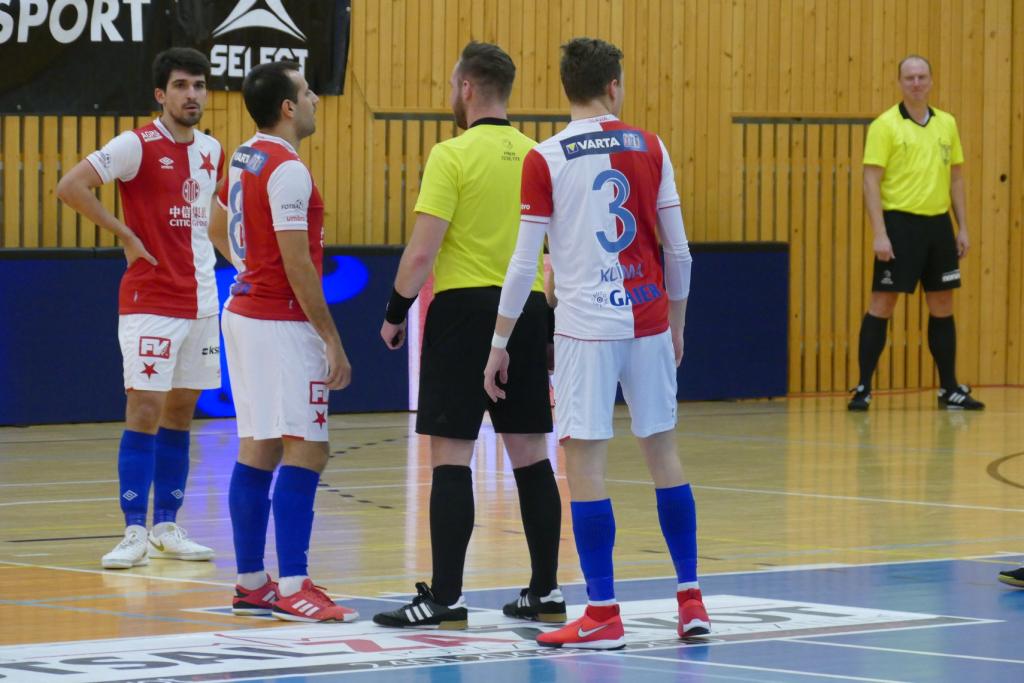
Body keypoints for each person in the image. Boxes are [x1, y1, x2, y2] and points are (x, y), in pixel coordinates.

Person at [483, 37, 710, 650]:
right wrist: (678, 322)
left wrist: (500, 340)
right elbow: (680, 253)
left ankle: (604, 612)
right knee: (663, 454)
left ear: (567, 88)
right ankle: (691, 599)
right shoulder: (652, 146)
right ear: (614, 86)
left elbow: (524, 262)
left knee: (585, 464)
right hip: (648, 319)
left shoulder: (545, 156)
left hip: (585, 328)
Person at [372, 42, 564, 630]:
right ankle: (546, 591)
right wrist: (547, 320)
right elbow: (554, 253)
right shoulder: (538, 156)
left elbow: (422, 251)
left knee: (451, 455)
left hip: (464, 313)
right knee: (531, 455)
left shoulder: (450, 154)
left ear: (466, 88)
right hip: (526, 310)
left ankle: (446, 597)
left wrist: (395, 312)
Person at [56, 47, 221, 570]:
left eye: (199, 85)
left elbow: (209, 219)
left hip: (203, 300)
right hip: (151, 301)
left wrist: (243, 260)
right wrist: (125, 234)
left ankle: (167, 527)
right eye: (181, 85)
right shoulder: (136, 144)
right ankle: (133, 531)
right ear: (160, 94)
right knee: (145, 410)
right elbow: (70, 186)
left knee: (181, 413)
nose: (191, 95)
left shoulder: (212, 150)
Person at [209, 61, 357, 623]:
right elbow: (298, 264)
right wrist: (331, 338)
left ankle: (252, 582)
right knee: (307, 447)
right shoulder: (288, 169)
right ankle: (294, 584)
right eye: (307, 91)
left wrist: (249, 271)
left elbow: (215, 226)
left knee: (260, 445)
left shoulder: (244, 155)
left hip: (244, 313)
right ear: (288, 107)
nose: (316, 98)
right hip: (281, 322)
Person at [849, 55, 983, 412]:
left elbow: (956, 178)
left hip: (938, 227)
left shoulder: (947, 123)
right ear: (900, 83)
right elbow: (870, 181)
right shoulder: (885, 125)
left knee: (942, 305)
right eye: (910, 78)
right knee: (882, 304)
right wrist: (880, 233)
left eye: (922, 77)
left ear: (931, 81)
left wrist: (962, 226)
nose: (916, 83)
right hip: (900, 226)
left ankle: (949, 389)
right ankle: (863, 387)